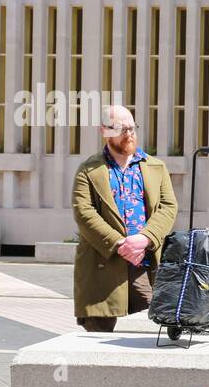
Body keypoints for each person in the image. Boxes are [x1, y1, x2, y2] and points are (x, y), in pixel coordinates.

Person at [71, 105, 179, 331]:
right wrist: (119, 243)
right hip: (103, 262)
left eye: (132, 128)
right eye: (121, 129)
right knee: (97, 339)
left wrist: (145, 238)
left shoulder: (155, 167)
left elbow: (168, 207)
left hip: (144, 261)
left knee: (150, 330)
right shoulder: (88, 169)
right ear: (104, 131)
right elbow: (84, 212)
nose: (129, 134)